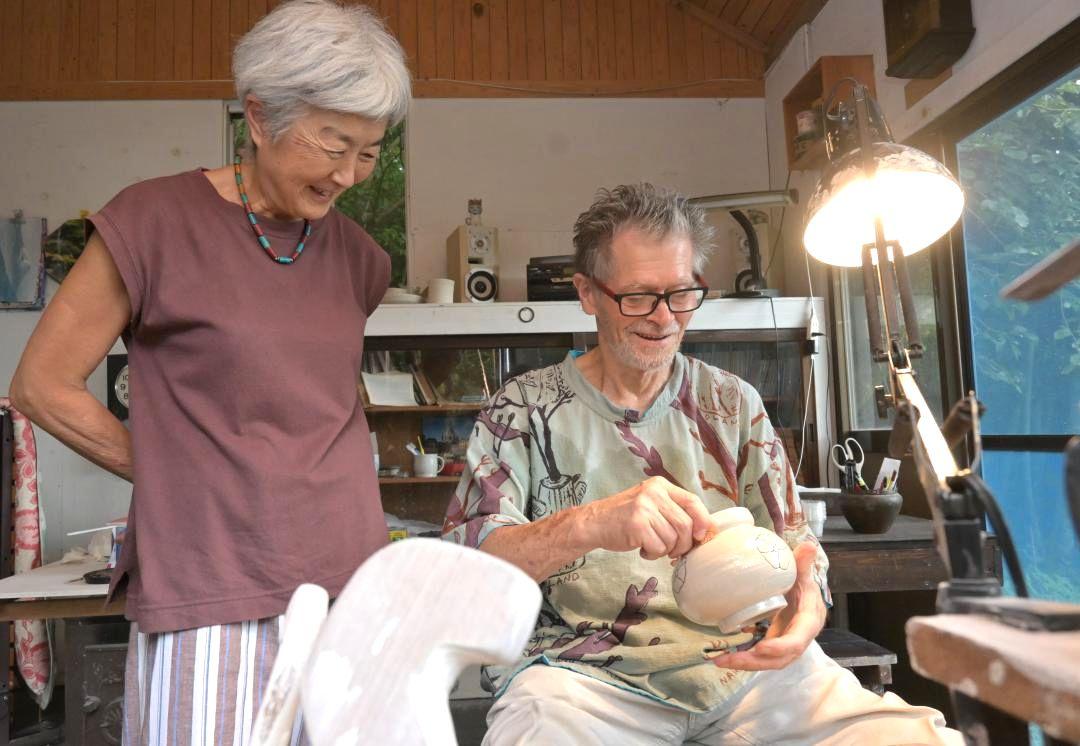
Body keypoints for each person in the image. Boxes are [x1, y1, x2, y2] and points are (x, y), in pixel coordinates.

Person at [9, 1, 410, 742]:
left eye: (369, 150)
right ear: (258, 117)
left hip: (350, 584)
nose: (350, 174)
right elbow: (40, 384)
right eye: (334, 143)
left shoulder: (361, 260)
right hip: (212, 584)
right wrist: (174, 477)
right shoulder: (153, 223)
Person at [443, 183, 960, 745]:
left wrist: (808, 600)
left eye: (683, 293)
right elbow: (470, 578)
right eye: (638, 296)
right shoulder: (521, 410)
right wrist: (589, 524)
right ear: (587, 293)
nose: (665, 319)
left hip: (749, 670)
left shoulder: (733, 403)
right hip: (581, 681)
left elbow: (796, 546)